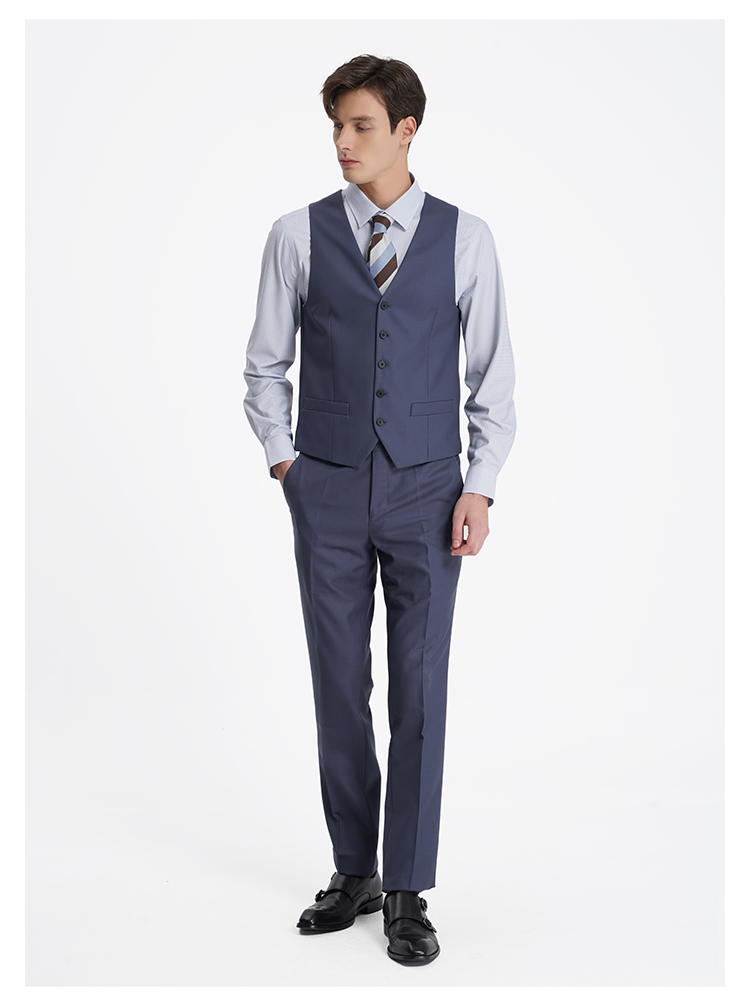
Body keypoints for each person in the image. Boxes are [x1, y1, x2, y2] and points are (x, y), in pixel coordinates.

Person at [242, 53, 517, 967]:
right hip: (324, 485)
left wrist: (479, 484)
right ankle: (354, 868)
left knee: (420, 691)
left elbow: (492, 376)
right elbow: (264, 365)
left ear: (407, 130)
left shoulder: (466, 238)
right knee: (337, 684)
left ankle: (407, 887)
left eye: (361, 125)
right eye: (335, 126)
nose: (342, 142)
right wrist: (286, 461)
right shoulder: (296, 233)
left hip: (429, 489)